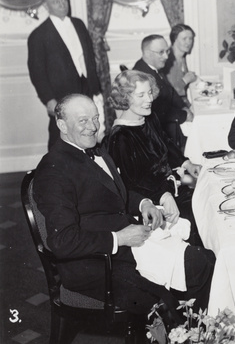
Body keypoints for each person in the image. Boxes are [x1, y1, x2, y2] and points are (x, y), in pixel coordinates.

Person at [34, 94, 214, 322]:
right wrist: (118, 238)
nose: (92, 127)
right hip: (96, 265)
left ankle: (200, 332)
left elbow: (115, 192)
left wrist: (144, 203)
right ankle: (195, 333)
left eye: (95, 118)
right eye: (82, 121)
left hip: (127, 246)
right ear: (62, 125)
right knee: (196, 271)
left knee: (206, 260)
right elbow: (62, 241)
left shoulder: (96, 150)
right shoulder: (54, 169)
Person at [105, 70, 204, 247]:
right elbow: (130, 184)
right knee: (197, 215)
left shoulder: (148, 119)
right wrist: (163, 196)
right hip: (152, 203)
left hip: (171, 189)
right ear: (125, 98)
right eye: (141, 95)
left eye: (149, 92)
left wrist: (186, 163)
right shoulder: (120, 137)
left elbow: (165, 144)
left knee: (206, 200)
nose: (149, 99)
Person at [27, 0, 102, 149]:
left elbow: (89, 58)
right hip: (60, 94)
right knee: (59, 136)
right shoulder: (38, 35)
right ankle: (54, 170)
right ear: (46, 7)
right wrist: (49, 99)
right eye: (56, 2)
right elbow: (37, 73)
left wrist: (95, 88)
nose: (62, 5)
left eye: (63, 0)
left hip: (86, 87)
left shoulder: (78, 24)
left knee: (89, 130)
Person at [133, 34, 193, 150]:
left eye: (167, 51)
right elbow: (156, 110)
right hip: (157, 134)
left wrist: (184, 107)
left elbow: (171, 91)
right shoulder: (143, 76)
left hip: (168, 122)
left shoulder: (154, 68)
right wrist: (184, 115)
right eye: (161, 52)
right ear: (147, 53)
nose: (166, 56)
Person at [163, 24, 198, 107]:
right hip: (173, 106)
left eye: (190, 38)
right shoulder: (168, 60)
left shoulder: (181, 56)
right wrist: (186, 80)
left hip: (181, 102)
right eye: (184, 39)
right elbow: (171, 91)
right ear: (174, 39)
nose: (188, 42)